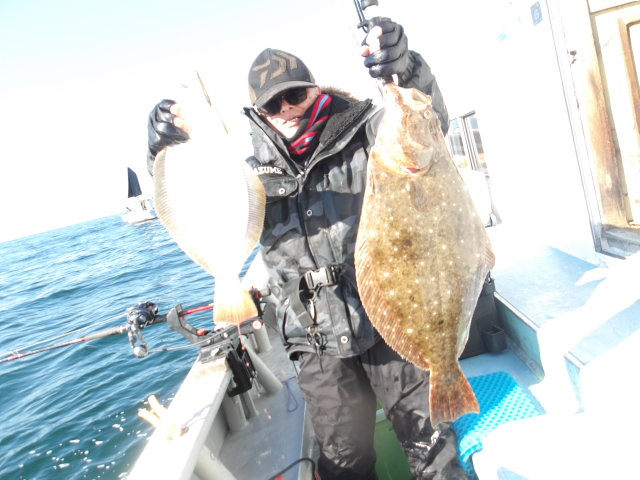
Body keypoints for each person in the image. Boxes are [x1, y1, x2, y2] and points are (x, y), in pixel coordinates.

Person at [146, 18, 468, 480]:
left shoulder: (368, 133)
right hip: (315, 340)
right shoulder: (245, 169)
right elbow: (192, 199)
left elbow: (426, 122)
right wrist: (163, 150)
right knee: (344, 464)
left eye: (295, 94)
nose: (286, 108)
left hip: (389, 320)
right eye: (272, 103)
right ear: (258, 112)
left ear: (315, 89)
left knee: (432, 449)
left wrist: (405, 67)